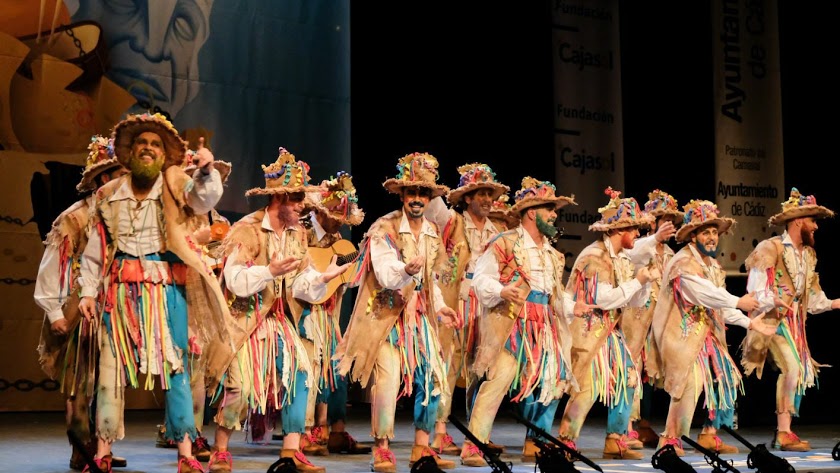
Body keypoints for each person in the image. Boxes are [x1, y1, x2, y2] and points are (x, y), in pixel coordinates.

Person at [77, 112, 231, 473]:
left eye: (155, 144)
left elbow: (202, 199)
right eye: (141, 143)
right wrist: (87, 292)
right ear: (129, 153)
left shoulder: (175, 183)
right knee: (109, 369)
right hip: (119, 292)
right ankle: (102, 451)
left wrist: (207, 171)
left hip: (166, 291)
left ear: (165, 155)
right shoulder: (108, 194)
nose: (148, 149)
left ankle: (186, 454)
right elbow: (96, 249)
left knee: (175, 367)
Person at [207, 147, 349, 473]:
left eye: (302, 197)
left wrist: (322, 278)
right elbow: (235, 279)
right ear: (277, 198)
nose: (302, 204)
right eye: (296, 197)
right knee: (239, 387)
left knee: (301, 376)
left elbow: (301, 280)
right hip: (246, 321)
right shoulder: (247, 229)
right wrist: (268, 272)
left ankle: (291, 450)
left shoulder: (298, 232)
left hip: (281, 322)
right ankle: (220, 448)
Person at [334, 152, 461, 472]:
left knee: (433, 379)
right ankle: (382, 448)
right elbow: (386, 274)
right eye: (412, 192)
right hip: (386, 315)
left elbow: (430, 279)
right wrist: (405, 268)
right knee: (387, 381)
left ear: (430, 197)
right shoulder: (383, 228)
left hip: (419, 317)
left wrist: (443, 307)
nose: (417, 198)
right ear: (402, 195)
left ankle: (422, 446)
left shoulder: (432, 231)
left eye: (423, 193)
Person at [459, 177, 585, 467]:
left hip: (544, 325)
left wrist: (572, 305)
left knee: (554, 379)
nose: (554, 215)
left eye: (555, 210)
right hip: (511, 320)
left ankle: (537, 443)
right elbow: (481, 280)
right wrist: (502, 290)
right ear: (532, 212)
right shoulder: (505, 243)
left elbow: (554, 292)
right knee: (499, 377)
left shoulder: (553, 255)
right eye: (549, 209)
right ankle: (474, 444)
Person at [651, 199, 775, 455]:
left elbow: (719, 305)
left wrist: (749, 321)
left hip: (707, 335)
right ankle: (670, 439)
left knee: (725, 380)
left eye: (714, 233)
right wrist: (738, 301)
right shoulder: (683, 263)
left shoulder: (713, 266)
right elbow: (703, 294)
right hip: (682, 336)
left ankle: (709, 434)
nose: (711, 238)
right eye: (705, 232)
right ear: (693, 236)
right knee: (690, 383)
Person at [35, 135, 128, 471]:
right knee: (80, 384)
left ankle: (101, 445)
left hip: (114, 308)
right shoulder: (75, 218)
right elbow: (53, 264)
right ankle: (81, 449)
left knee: (109, 379)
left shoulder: (123, 216)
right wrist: (56, 312)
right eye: (121, 173)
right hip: (79, 308)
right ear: (104, 178)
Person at [557, 187, 654, 460]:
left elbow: (632, 303)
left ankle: (615, 438)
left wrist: (644, 284)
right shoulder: (593, 257)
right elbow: (604, 300)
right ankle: (566, 439)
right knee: (586, 388)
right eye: (634, 228)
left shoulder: (621, 259)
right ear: (618, 230)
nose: (637, 233)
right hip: (588, 330)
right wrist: (639, 281)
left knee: (629, 380)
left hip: (611, 332)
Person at [741, 188, 840, 452]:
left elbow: (812, 297)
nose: (816, 227)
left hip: (794, 326)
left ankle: (785, 431)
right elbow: (755, 291)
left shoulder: (808, 256)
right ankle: (783, 432)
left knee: (797, 370)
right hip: (770, 323)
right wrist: (772, 299)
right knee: (792, 368)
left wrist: (833, 304)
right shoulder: (770, 248)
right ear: (798, 221)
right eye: (813, 221)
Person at [421, 163, 510, 457]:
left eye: (489, 194)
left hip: (485, 305)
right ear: (467, 198)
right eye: (480, 193)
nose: (486, 199)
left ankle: (475, 432)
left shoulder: (497, 231)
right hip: (457, 299)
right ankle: (440, 431)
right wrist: (425, 176)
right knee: (449, 364)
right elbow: (433, 205)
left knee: (479, 368)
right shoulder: (454, 221)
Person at [155, 150, 232, 462]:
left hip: (206, 297)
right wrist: (199, 246)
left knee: (201, 370)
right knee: (185, 368)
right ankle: (187, 432)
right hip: (177, 291)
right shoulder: (176, 217)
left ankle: (189, 431)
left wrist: (218, 261)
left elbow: (227, 259)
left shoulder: (222, 223)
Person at [297, 172, 371, 456]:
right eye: (335, 215)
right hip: (303, 311)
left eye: (342, 217)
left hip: (328, 315)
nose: (339, 220)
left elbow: (340, 283)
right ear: (319, 211)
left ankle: (335, 430)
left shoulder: (338, 240)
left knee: (337, 370)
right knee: (309, 370)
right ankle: (304, 431)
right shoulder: (302, 231)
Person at [619, 190, 680, 449]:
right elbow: (630, 258)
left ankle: (645, 422)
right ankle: (626, 426)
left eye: (670, 221)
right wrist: (654, 238)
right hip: (636, 314)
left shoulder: (671, 253)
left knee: (652, 370)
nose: (667, 225)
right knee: (631, 365)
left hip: (659, 318)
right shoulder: (639, 244)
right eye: (661, 219)